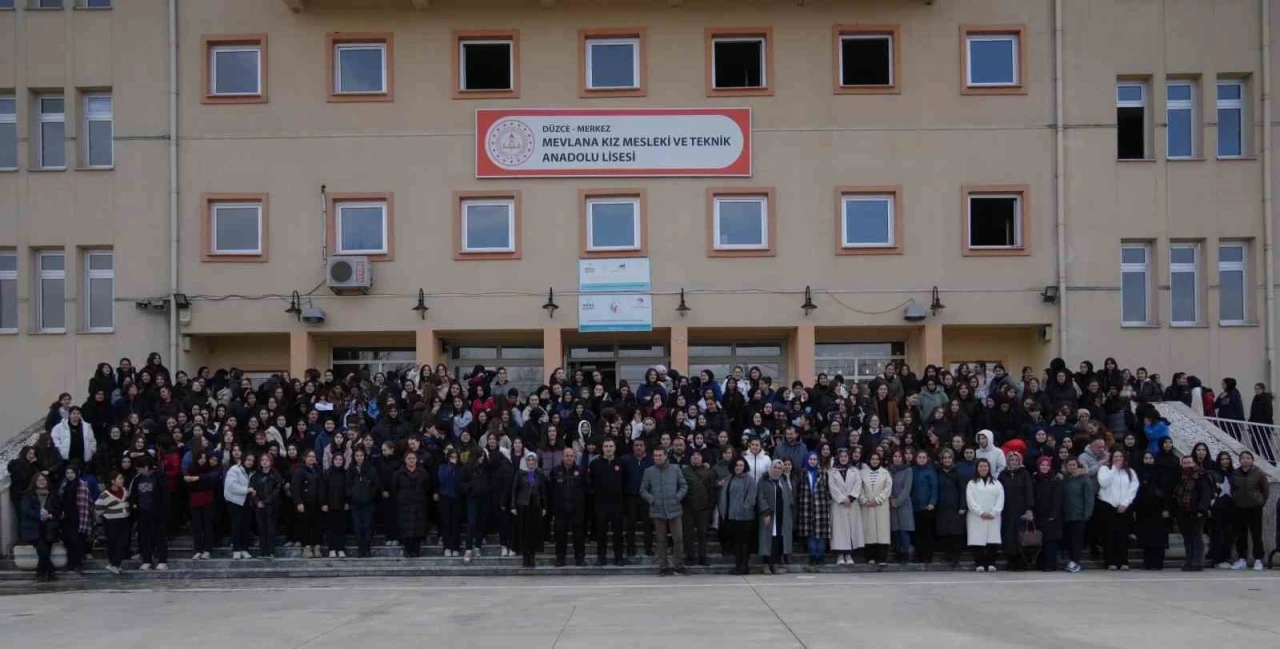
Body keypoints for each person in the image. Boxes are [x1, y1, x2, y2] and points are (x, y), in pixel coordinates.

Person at [641, 446, 688, 575]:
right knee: (661, 540)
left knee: (678, 538)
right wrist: (651, 499)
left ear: (666, 456)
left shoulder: (675, 469)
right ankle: (663, 566)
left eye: (660, 455)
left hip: (674, 509)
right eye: (655, 455)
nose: (657, 458)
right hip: (657, 510)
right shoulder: (649, 471)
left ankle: (679, 564)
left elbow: (684, 486)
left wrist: (677, 497)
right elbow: (643, 490)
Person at [1097, 449, 1139, 570]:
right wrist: (1114, 469)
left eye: (1120, 456)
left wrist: (1125, 503)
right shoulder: (1104, 469)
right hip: (1108, 506)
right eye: (1115, 456)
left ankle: (1123, 561)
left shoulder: (1130, 472)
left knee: (1123, 535)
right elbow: (1104, 483)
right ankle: (1110, 561)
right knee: (1109, 535)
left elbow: (1133, 487)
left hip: (1124, 507)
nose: (1118, 458)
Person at [587, 438, 626, 567]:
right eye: (606, 446)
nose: (608, 448)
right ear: (602, 448)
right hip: (600, 504)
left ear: (614, 448)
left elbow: (625, 482)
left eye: (610, 446)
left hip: (617, 504)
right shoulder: (595, 464)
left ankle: (619, 557)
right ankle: (601, 558)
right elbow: (590, 482)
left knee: (618, 533)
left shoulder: (621, 463)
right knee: (601, 533)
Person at [1229, 450, 1269, 571]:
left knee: (1256, 535)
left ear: (1252, 460)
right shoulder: (1235, 473)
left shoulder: (1259, 473)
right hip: (1239, 508)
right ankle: (1242, 559)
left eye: (1248, 458)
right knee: (1241, 535)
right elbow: (1232, 489)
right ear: (1239, 460)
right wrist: (1235, 500)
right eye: (1242, 458)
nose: (1245, 460)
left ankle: (1258, 559)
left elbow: (1265, 490)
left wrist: (1260, 502)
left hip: (1254, 508)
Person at [1173, 454, 1214, 571]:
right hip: (1183, 512)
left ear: (1194, 463)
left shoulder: (1202, 475)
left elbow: (1206, 494)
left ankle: (1198, 562)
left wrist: (1202, 509)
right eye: (1184, 463)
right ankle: (1189, 561)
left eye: (1189, 462)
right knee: (1187, 539)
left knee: (1197, 537)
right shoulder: (1180, 476)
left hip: (1197, 512)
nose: (1187, 465)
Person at [550, 447, 588, 567]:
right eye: (567, 455)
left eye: (571, 456)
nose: (569, 458)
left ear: (574, 457)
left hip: (577, 510)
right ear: (563, 457)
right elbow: (551, 491)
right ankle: (560, 559)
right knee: (560, 536)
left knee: (579, 536)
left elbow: (586, 489)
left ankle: (580, 559)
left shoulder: (581, 471)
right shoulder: (555, 471)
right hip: (561, 510)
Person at [719, 456, 758, 574]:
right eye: (736, 465)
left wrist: (745, 507)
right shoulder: (729, 479)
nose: (738, 467)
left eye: (741, 465)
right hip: (732, 516)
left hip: (746, 517)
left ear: (744, 467)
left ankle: (744, 566)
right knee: (736, 543)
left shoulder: (749, 479)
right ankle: (737, 565)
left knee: (745, 542)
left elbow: (752, 496)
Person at [20, 472, 61, 581]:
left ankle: (41, 574)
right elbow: (26, 510)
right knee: (43, 551)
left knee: (45, 552)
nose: (41, 482)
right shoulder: (28, 495)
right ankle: (51, 571)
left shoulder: (53, 495)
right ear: (35, 482)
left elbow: (58, 510)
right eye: (39, 480)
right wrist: (40, 514)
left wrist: (51, 514)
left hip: (49, 528)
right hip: (34, 528)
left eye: (43, 480)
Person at [794, 451, 831, 571]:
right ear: (807, 460)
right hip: (806, 505)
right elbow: (799, 489)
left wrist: (827, 500)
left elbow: (827, 488)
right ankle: (812, 555)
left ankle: (821, 555)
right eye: (811, 459)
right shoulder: (803, 473)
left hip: (821, 505)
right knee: (810, 532)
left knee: (821, 532)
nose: (813, 461)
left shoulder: (823, 473)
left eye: (815, 459)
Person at [510, 452, 548, 568]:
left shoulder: (539, 474)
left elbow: (543, 492)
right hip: (523, 505)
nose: (531, 462)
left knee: (533, 532)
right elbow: (514, 490)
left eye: (533, 460)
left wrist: (544, 506)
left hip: (535, 506)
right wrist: (513, 506)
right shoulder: (520, 474)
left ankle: (532, 556)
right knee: (524, 532)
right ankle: (525, 556)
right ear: (526, 461)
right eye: (529, 460)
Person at [756, 459, 794, 574]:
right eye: (775, 467)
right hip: (769, 515)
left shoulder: (783, 481)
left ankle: (775, 564)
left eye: (779, 468)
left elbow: (789, 496)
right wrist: (765, 512)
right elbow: (760, 497)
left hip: (782, 516)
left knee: (778, 539)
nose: (777, 470)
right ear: (771, 468)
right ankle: (765, 565)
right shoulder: (764, 480)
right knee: (767, 540)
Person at [966, 458, 1004, 572]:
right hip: (976, 516)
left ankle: (991, 563)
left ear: (989, 468)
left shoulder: (996, 483)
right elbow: (970, 500)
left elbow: (1000, 499)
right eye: (981, 466)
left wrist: (994, 512)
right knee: (978, 539)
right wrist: (981, 512)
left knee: (992, 539)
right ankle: (979, 563)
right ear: (977, 468)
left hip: (993, 516)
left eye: (985, 466)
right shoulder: (972, 483)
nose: (983, 468)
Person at [682, 449, 718, 567]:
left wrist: (710, 505)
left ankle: (703, 557)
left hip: (704, 508)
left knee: (702, 534)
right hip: (688, 508)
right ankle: (690, 557)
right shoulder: (684, 471)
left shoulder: (709, 472)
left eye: (698, 455)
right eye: (693, 455)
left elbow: (712, 489)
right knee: (688, 534)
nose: (695, 457)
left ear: (702, 458)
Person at [999, 451, 1035, 571]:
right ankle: (1011, 561)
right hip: (1006, 510)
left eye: (1016, 460)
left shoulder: (1024, 474)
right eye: (1011, 460)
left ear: (1020, 461)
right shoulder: (1003, 474)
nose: (1013, 462)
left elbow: (1029, 491)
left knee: (1020, 535)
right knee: (1008, 536)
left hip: (1021, 509)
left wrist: (1029, 509)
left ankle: (1021, 561)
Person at [828, 447, 864, 566]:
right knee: (839, 531)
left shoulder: (854, 471)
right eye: (841, 457)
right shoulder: (832, 472)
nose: (843, 459)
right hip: (839, 504)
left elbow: (858, 485)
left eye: (845, 456)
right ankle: (840, 555)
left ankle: (848, 555)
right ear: (838, 458)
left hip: (852, 504)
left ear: (848, 457)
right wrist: (843, 499)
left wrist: (851, 498)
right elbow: (832, 487)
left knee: (850, 529)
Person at [392, 451, 431, 558]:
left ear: (416, 460)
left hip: (419, 505)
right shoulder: (398, 474)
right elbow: (394, 489)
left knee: (418, 529)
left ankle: (416, 550)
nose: (411, 460)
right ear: (405, 460)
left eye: (413, 458)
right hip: (404, 505)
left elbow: (428, 488)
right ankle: (408, 550)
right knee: (406, 529)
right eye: (409, 458)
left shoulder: (423, 473)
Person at [56, 462, 93, 574]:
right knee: (67, 540)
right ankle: (70, 563)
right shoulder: (64, 485)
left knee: (77, 540)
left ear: (76, 473)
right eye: (67, 473)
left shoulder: (82, 485)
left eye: (72, 473)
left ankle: (78, 563)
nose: (70, 475)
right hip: (66, 516)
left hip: (78, 516)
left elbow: (86, 504)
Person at [1060, 457, 1095, 573]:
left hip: (1079, 515)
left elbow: (1089, 497)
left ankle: (1076, 561)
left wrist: (1087, 513)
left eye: (1074, 465)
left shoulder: (1084, 479)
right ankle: (1072, 560)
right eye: (1069, 465)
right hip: (1067, 515)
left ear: (1078, 466)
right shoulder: (1065, 479)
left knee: (1077, 540)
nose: (1072, 467)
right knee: (1069, 540)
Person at [620, 439, 653, 557]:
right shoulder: (625, 460)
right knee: (630, 524)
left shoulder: (651, 460)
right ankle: (630, 548)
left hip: (646, 498)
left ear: (645, 447)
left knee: (648, 524)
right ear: (633, 447)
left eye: (641, 445)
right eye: (636, 445)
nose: (638, 447)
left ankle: (648, 548)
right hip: (631, 497)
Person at [935, 449, 967, 567]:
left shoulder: (957, 473)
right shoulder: (938, 472)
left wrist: (962, 506)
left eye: (949, 457)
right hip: (942, 507)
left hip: (955, 507)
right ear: (941, 460)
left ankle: (955, 557)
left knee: (955, 533)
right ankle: (947, 555)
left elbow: (963, 491)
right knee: (944, 532)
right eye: (945, 458)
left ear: (952, 459)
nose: (947, 460)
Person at [859, 452, 892, 566]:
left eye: (877, 459)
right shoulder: (862, 473)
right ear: (869, 460)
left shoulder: (885, 473)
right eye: (873, 459)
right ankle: (870, 557)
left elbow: (888, 488)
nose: (875, 461)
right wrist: (864, 500)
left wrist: (878, 499)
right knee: (869, 532)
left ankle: (882, 558)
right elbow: (859, 488)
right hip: (867, 506)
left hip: (880, 506)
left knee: (882, 532)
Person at [183, 452, 218, 560]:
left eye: (204, 457)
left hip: (208, 499)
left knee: (208, 525)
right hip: (195, 500)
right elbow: (188, 484)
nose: (203, 460)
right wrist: (199, 480)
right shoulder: (191, 468)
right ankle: (198, 550)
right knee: (197, 526)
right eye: (200, 458)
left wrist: (197, 479)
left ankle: (207, 549)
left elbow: (212, 480)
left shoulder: (209, 468)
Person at [95, 471, 131, 574]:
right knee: (113, 542)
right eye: (119, 478)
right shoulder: (105, 494)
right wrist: (106, 515)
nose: (122, 480)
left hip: (124, 520)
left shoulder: (125, 491)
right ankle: (114, 564)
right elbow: (98, 507)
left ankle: (115, 564)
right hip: (111, 521)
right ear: (113, 481)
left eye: (122, 478)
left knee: (123, 542)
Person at [1031, 456, 1063, 571]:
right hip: (1039, 514)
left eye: (1047, 465)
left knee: (1051, 540)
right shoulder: (1035, 479)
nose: (1044, 467)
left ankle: (1050, 564)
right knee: (1041, 540)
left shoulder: (1055, 479)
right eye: (1042, 465)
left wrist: (1053, 514)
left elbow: (1057, 498)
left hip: (1051, 516)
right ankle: (1041, 563)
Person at [347, 446, 379, 558]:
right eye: (357, 456)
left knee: (367, 525)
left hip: (368, 503)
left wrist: (370, 495)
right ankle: (360, 549)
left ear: (364, 457)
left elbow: (376, 485)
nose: (359, 458)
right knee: (357, 526)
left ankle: (367, 548)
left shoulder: (371, 469)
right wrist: (352, 495)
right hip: (355, 503)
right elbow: (347, 485)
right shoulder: (351, 470)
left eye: (361, 455)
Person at [291, 449, 323, 558]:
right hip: (304, 502)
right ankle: (307, 547)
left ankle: (317, 547)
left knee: (316, 526)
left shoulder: (317, 470)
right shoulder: (299, 470)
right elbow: (295, 487)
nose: (311, 458)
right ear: (305, 458)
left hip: (316, 503)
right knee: (305, 525)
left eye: (313, 457)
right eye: (309, 456)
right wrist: (298, 502)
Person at [910, 450, 939, 564]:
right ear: (916, 458)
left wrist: (932, 502)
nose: (922, 459)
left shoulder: (931, 471)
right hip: (914, 506)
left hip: (927, 507)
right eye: (920, 457)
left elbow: (934, 487)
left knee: (927, 533)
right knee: (917, 533)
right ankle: (918, 556)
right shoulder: (912, 470)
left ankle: (928, 556)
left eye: (924, 457)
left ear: (927, 459)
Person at [1208, 451, 1236, 568]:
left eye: (1227, 459)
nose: (1225, 461)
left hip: (1231, 508)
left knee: (1229, 533)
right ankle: (1218, 559)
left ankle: (1226, 557)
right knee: (1218, 533)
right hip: (1217, 508)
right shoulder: (1213, 473)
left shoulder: (1234, 474)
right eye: (1222, 459)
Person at [320, 451, 350, 558]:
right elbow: (323, 489)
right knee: (331, 528)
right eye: (336, 459)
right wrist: (323, 503)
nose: (338, 461)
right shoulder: (327, 473)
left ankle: (340, 549)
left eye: (340, 459)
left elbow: (348, 489)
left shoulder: (346, 473)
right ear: (333, 460)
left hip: (342, 505)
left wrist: (347, 502)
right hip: (330, 505)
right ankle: (332, 549)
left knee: (341, 527)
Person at [435, 448, 464, 558]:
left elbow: (462, 481)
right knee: (446, 523)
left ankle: (456, 547)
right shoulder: (442, 467)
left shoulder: (461, 468)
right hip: (445, 497)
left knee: (456, 523)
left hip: (457, 498)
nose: (454, 459)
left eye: (455, 457)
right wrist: (451, 467)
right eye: (452, 457)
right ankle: (446, 547)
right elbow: (442, 479)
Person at [888, 450, 914, 563]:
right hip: (891, 504)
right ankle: (897, 553)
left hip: (904, 504)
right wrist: (891, 499)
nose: (897, 458)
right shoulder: (888, 471)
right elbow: (887, 486)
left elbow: (907, 489)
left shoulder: (908, 470)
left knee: (904, 530)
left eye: (899, 456)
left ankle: (905, 554)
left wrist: (897, 501)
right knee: (895, 531)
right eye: (895, 456)